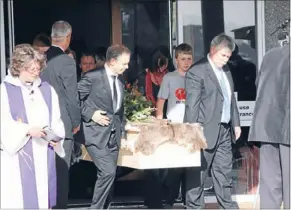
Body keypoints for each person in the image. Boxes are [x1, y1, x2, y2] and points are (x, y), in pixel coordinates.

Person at [0, 44, 65, 209]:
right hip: (17, 155)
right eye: (31, 69)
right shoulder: (5, 91)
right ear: (18, 67)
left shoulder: (47, 90)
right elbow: (3, 123)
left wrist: (56, 138)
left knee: (43, 199)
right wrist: (27, 130)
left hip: (43, 153)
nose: (36, 72)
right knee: (20, 200)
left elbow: (56, 120)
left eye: (37, 68)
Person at [184, 34, 241, 209]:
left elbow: (230, 98)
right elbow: (192, 104)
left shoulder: (226, 71)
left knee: (223, 174)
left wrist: (236, 123)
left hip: (224, 129)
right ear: (213, 50)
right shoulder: (197, 71)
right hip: (203, 129)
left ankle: (228, 207)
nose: (225, 60)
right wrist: (194, 129)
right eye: (223, 56)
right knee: (198, 176)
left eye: (228, 57)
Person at [78, 44, 130, 209]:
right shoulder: (92, 77)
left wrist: (123, 135)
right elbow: (73, 99)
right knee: (107, 172)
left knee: (110, 176)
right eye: (124, 63)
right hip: (95, 133)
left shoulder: (120, 79)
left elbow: (119, 111)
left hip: (113, 135)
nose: (127, 67)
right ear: (113, 61)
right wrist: (91, 114)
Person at [41, 20, 81, 209]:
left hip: (40, 121)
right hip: (62, 122)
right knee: (61, 171)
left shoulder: (40, 58)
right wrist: (76, 121)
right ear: (68, 37)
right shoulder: (66, 60)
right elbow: (71, 95)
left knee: (44, 170)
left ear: (52, 37)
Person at [248, 45, 290, 209]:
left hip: (267, 126)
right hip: (286, 127)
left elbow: (259, 84)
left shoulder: (270, 55)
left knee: (269, 186)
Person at [156, 43, 193, 208]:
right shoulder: (169, 78)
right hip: (174, 125)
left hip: (192, 126)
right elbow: (161, 100)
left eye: (189, 59)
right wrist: (159, 119)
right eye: (183, 59)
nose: (186, 62)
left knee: (190, 166)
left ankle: (188, 200)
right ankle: (169, 200)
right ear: (176, 59)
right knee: (175, 166)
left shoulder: (196, 77)